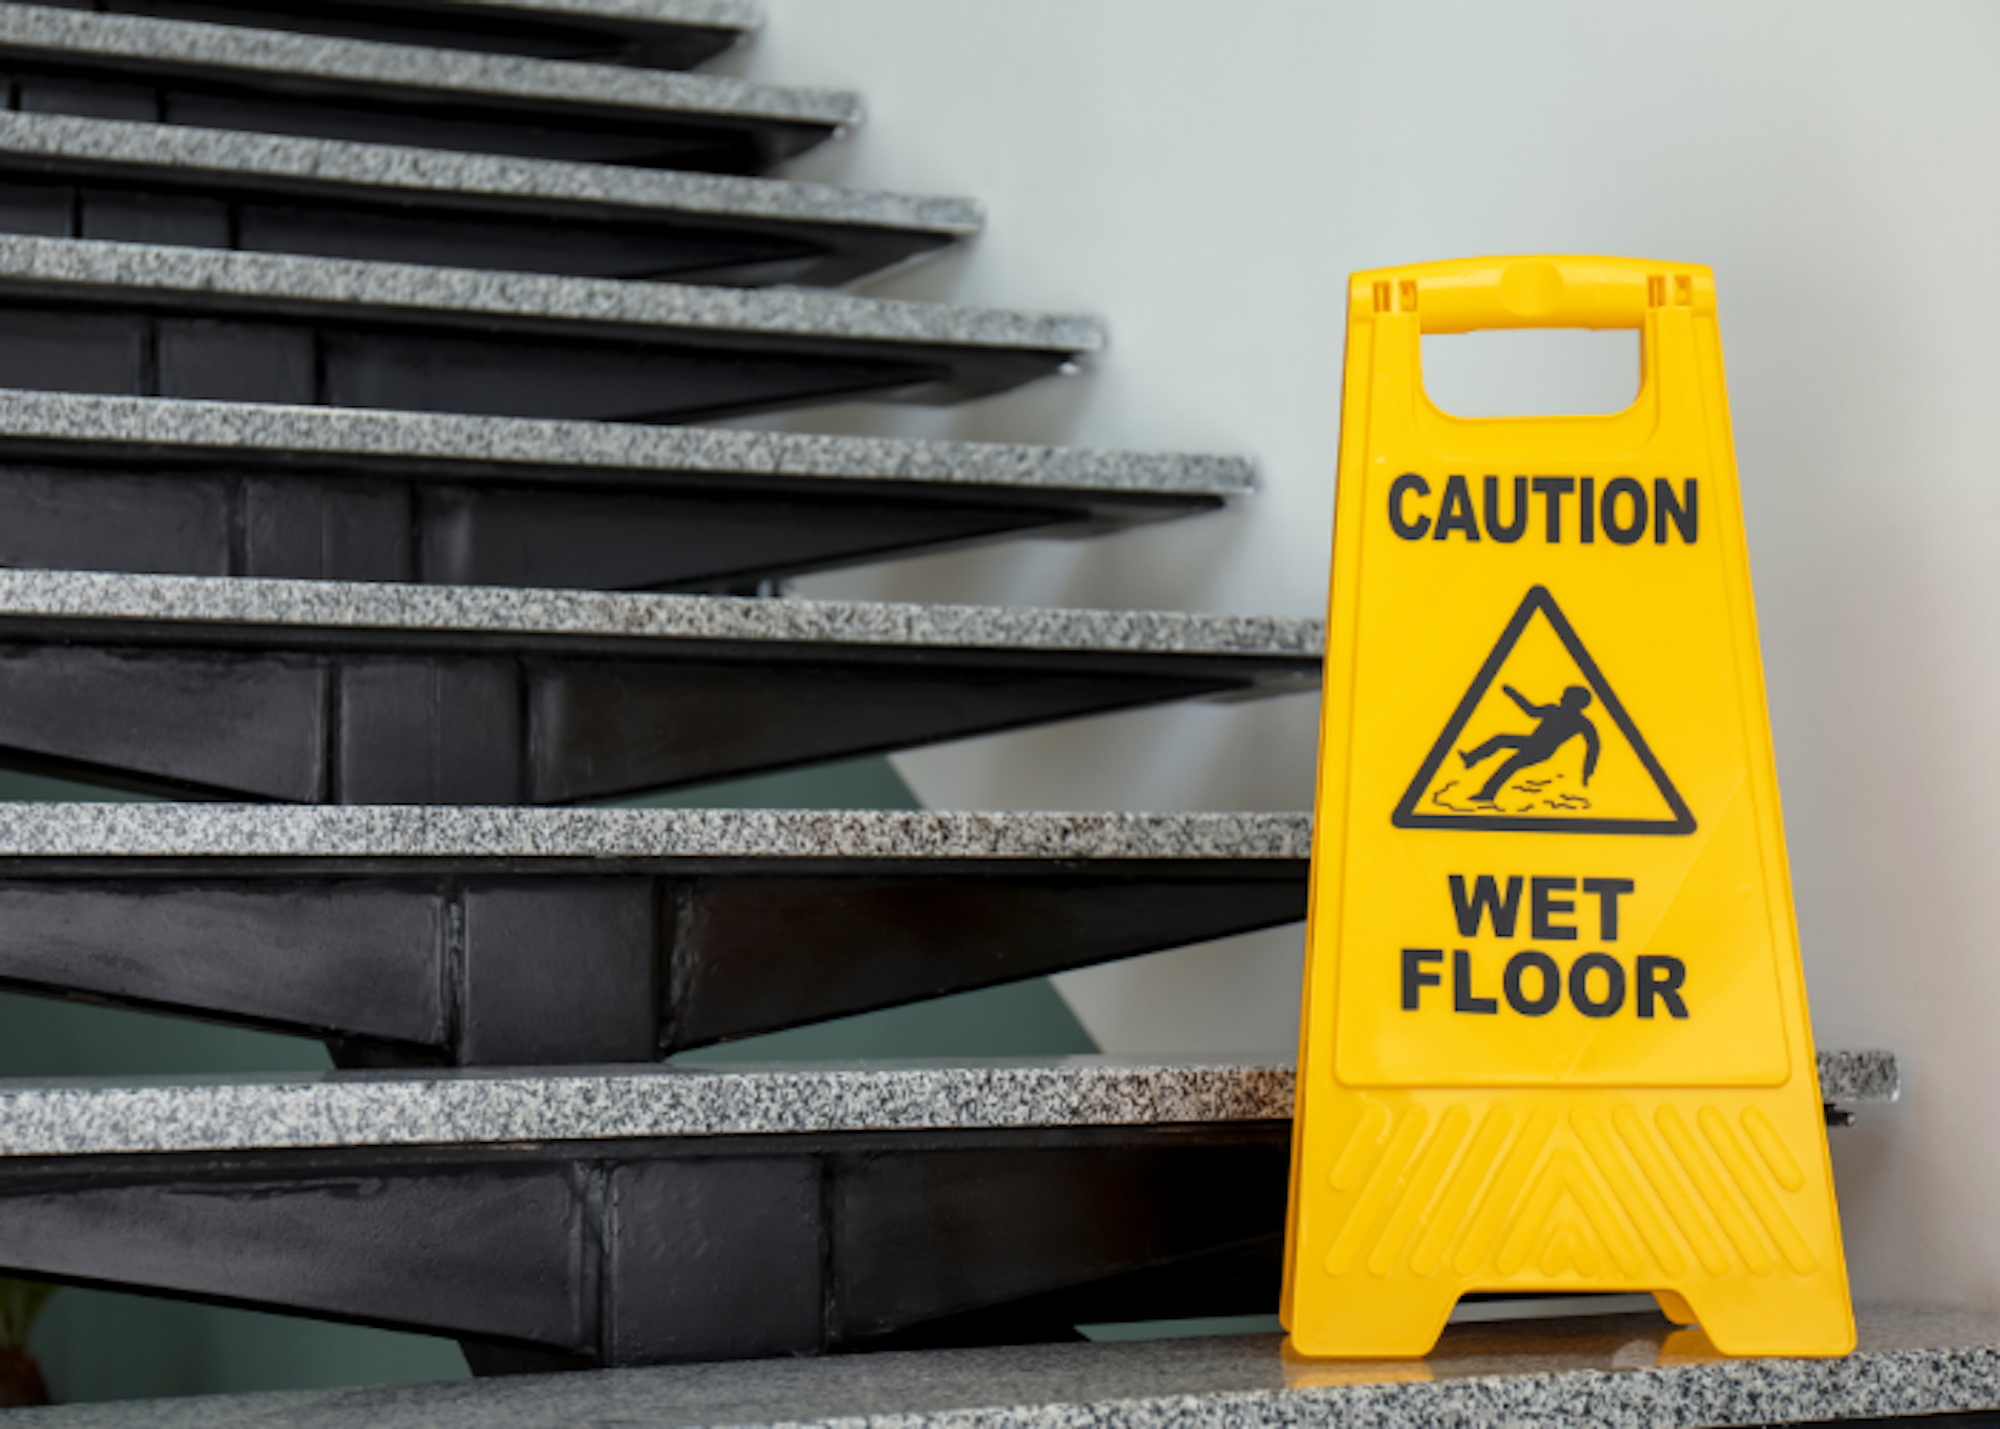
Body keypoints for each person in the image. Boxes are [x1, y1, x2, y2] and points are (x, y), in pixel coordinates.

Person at [1459, 684, 1599, 803]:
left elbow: (1593, 747)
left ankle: (1486, 791)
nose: (1561, 698)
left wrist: (1587, 771)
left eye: (1565, 696)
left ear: (1575, 702)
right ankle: (1473, 763)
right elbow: (1531, 711)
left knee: (1508, 762)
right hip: (1533, 742)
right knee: (1502, 745)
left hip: (1542, 749)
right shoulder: (1553, 710)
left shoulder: (1581, 722)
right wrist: (1514, 695)